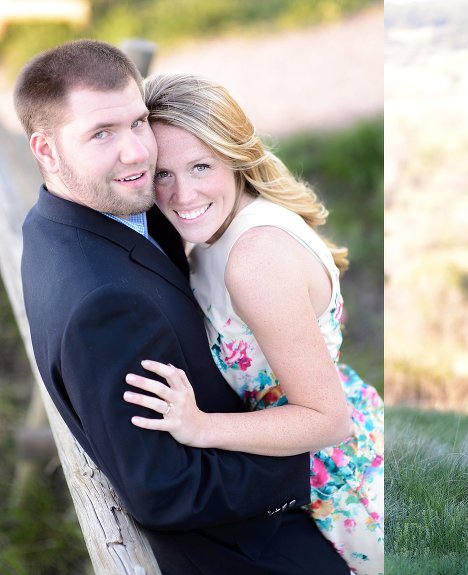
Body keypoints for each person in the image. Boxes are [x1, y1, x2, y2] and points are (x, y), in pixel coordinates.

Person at [15, 39, 350, 574]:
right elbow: (165, 491)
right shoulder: (107, 302)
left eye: (137, 122)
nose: (137, 154)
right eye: (101, 133)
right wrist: (312, 467)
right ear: (47, 150)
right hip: (253, 544)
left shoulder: (71, 219)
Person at [120, 73, 384, 575]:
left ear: (236, 156)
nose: (181, 194)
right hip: (297, 463)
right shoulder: (218, 226)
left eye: (201, 165)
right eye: (162, 173)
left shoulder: (255, 257)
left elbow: (329, 420)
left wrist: (199, 427)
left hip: (342, 487)